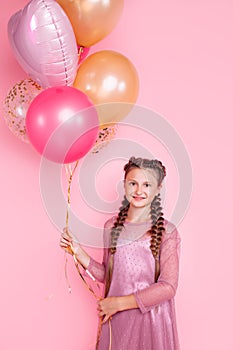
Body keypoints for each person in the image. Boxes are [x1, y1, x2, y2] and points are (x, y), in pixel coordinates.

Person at [60, 157, 181, 350]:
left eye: (147, 184)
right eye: (133, 183)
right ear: (124, 185)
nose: (139, 190)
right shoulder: (112, 227)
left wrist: (118, 303)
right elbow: (109, 275)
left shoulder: (167, 232)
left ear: (158, 189)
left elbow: (168, 287)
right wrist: (78, 250)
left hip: (150, 320)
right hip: (119, 319)